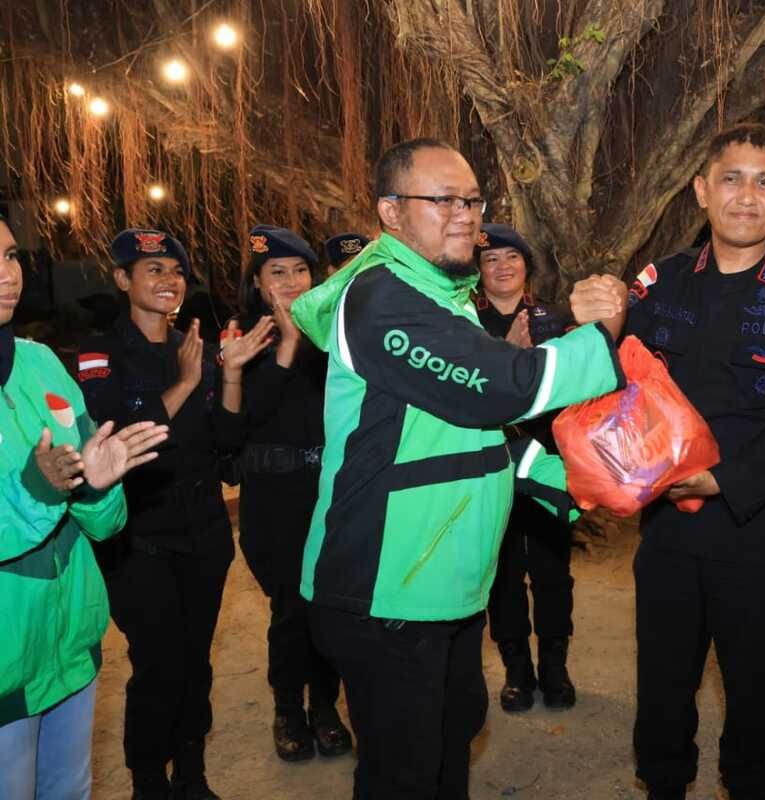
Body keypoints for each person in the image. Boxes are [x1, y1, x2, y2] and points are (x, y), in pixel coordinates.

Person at [288, 137, 627, 799]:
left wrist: (580, 485)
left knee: (452, 736)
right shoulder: (380, 297)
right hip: (384, 587)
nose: (465, 214)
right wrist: (600, 338)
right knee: (403, 772)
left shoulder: (445, 297)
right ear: (390, 213)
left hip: (447, 582)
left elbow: (479, 435)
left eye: (472, 199)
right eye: (441, 199)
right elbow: (501, 386)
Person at [622, 123, 765, 800]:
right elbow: (619, 389)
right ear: (700, 191)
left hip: (759, 535)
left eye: (764, 182)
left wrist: (722, 480)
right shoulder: (659, 281)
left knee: (754, 703)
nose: (745, 196)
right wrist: (599, 327)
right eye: (730, 178)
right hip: (666, 534)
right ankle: (664, 785)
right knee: (662, 692)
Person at [78, 228, 273, 800]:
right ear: (122, 280)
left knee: (195, 660)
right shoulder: (99, 353)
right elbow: (121, 433)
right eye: (154, 270)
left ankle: (191, 772)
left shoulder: (199, 346)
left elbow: (227, 440)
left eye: (176, 271)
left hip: (204, 528)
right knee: (158, 662)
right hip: (140, 536)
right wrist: (188, 382)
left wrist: (229, 372)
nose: (169, 281)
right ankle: (148, 779)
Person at [0, 214, 168, 800]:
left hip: (70, 640)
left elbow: (102, 520)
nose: (8, 275)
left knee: (70, 790)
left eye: (11, 256)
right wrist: (41, 490)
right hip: (5, 659)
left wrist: (98, 484)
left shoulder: (40, 362)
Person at [234, 225, 352, 761]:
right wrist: (283, 349)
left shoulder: (334, 335)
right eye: (276, 273)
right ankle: (288, 709)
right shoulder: (241, 339)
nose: (290, 281)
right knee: (288, 609)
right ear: (258, 284)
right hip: (272, 498)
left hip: (327, 491)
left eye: (300, 270)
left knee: (326, 607)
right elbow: (245, 422)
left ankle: (325, 707)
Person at [474, 222, 578, 712]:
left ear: (525, 266)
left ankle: (555, 666)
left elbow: (574, 391)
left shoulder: (554, 319)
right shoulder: (463, 325)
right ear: (479, 270)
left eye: (511, 258)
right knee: (503, 573)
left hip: (548, 464)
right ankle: (517, 668)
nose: (502, 267)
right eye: (492, 259)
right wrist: (510, 357)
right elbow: (469, 395)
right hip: (493, 464)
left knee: (554, 571)